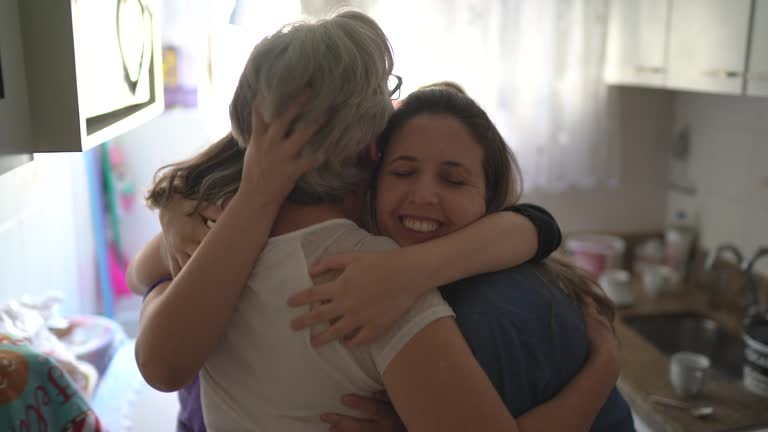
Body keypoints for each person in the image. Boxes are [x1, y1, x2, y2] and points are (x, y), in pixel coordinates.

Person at [130, 9, 630, 432]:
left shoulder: (228, 236)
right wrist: (604, 368)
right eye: (405, 168)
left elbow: (535, 226)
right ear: (375, 148)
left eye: (452, 180)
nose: (424, 194)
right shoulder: (367, 280)